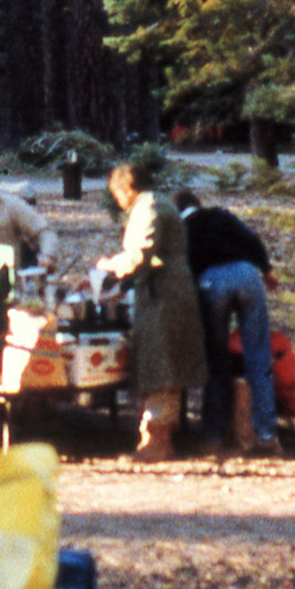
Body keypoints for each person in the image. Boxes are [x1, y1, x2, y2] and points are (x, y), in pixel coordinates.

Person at [95, 163, 207, 462]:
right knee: (155, 362)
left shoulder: (150, 208)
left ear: (126, 189)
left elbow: (141, 255)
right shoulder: (154, 205)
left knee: (163, 365)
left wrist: (109, 266)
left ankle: (159, 440)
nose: (118, 202)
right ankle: (152, 435)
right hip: (157, 292)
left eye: (117, 195)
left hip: (166, 296)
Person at [174, 190, 282, 456]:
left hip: (212, 283)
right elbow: (252, 240)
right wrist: (266, 270)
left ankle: (214, 435)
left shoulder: (181, 230)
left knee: (217, 358)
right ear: (198, 205)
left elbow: (182, 272)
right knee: (258, 354)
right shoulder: (220, 215)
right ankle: (267, 432)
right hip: (247, 276)